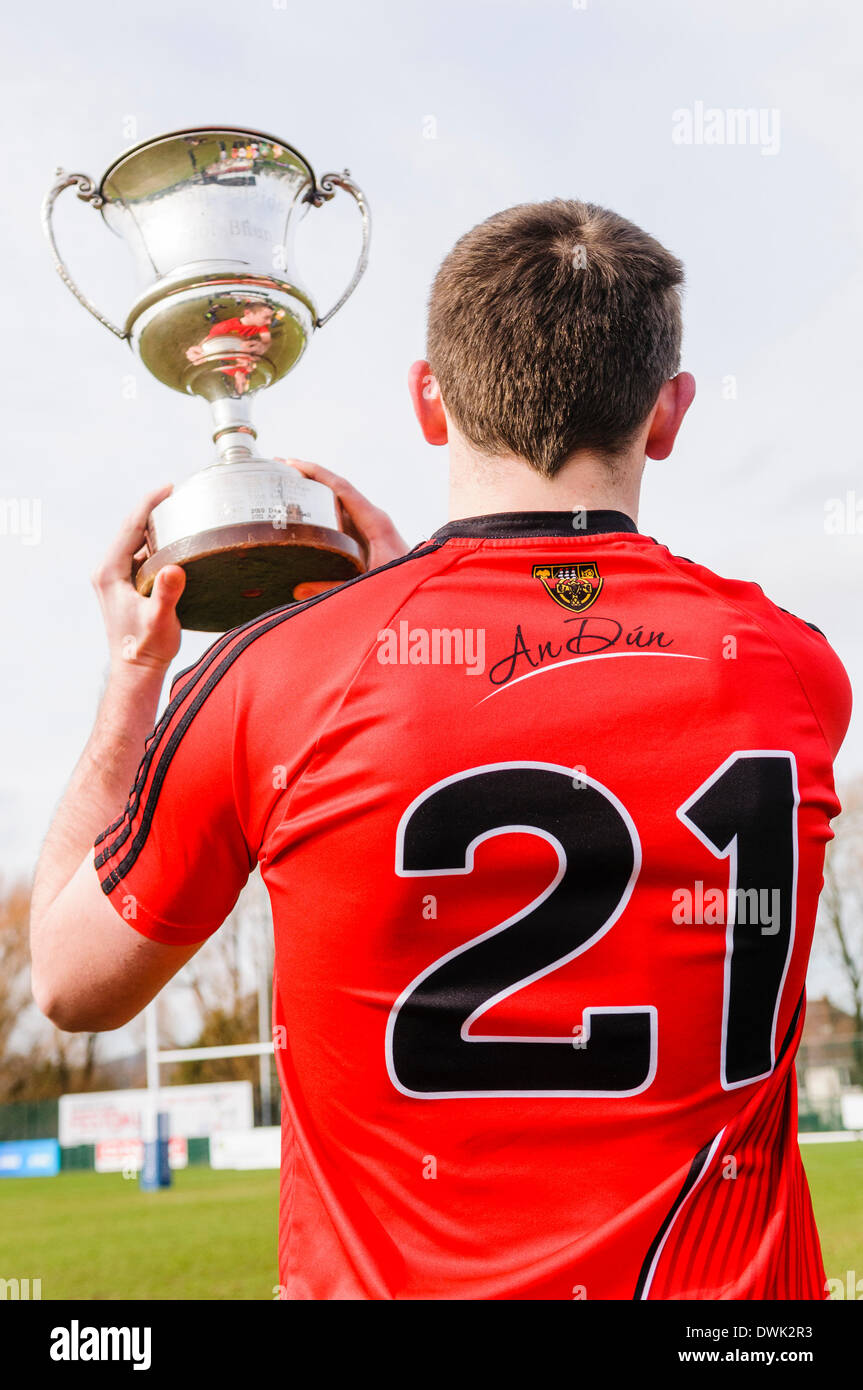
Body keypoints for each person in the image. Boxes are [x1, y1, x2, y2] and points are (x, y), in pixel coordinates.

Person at [30, 199, 852, 1300]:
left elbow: (72, 984)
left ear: (429, 399)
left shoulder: (275, 679)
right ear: (667, 413)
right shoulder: (791, 668)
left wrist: (134, 683)